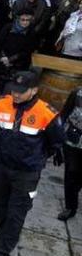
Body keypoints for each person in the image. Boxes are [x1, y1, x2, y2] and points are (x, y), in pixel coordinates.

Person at [0, 71, 65, 256]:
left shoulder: (47, 113)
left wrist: (36, 157)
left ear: (34, 90)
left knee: (16, 214)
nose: (16, 95)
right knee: (0, 206)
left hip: (26, 173)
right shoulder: (1, 103)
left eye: (21, 92)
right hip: (1, 165)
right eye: (14, 90)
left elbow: (54, 141)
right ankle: (1, 239)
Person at [0, 10, 38, 94]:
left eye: (27, 20)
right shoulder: (8, 27)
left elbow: (28, 51)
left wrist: (10, 60)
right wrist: (3, 57)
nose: (25, 22)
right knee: (1, 85)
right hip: (2, 61)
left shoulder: (31, 33)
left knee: (13, 88)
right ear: (18, 19)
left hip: (18, 65)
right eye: (22, 19)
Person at [58, 88, 82, 221]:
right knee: (71, 172)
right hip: (73, 140)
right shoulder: (77, 93)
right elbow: (64, 114)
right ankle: (70, 207)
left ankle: (76, 189)